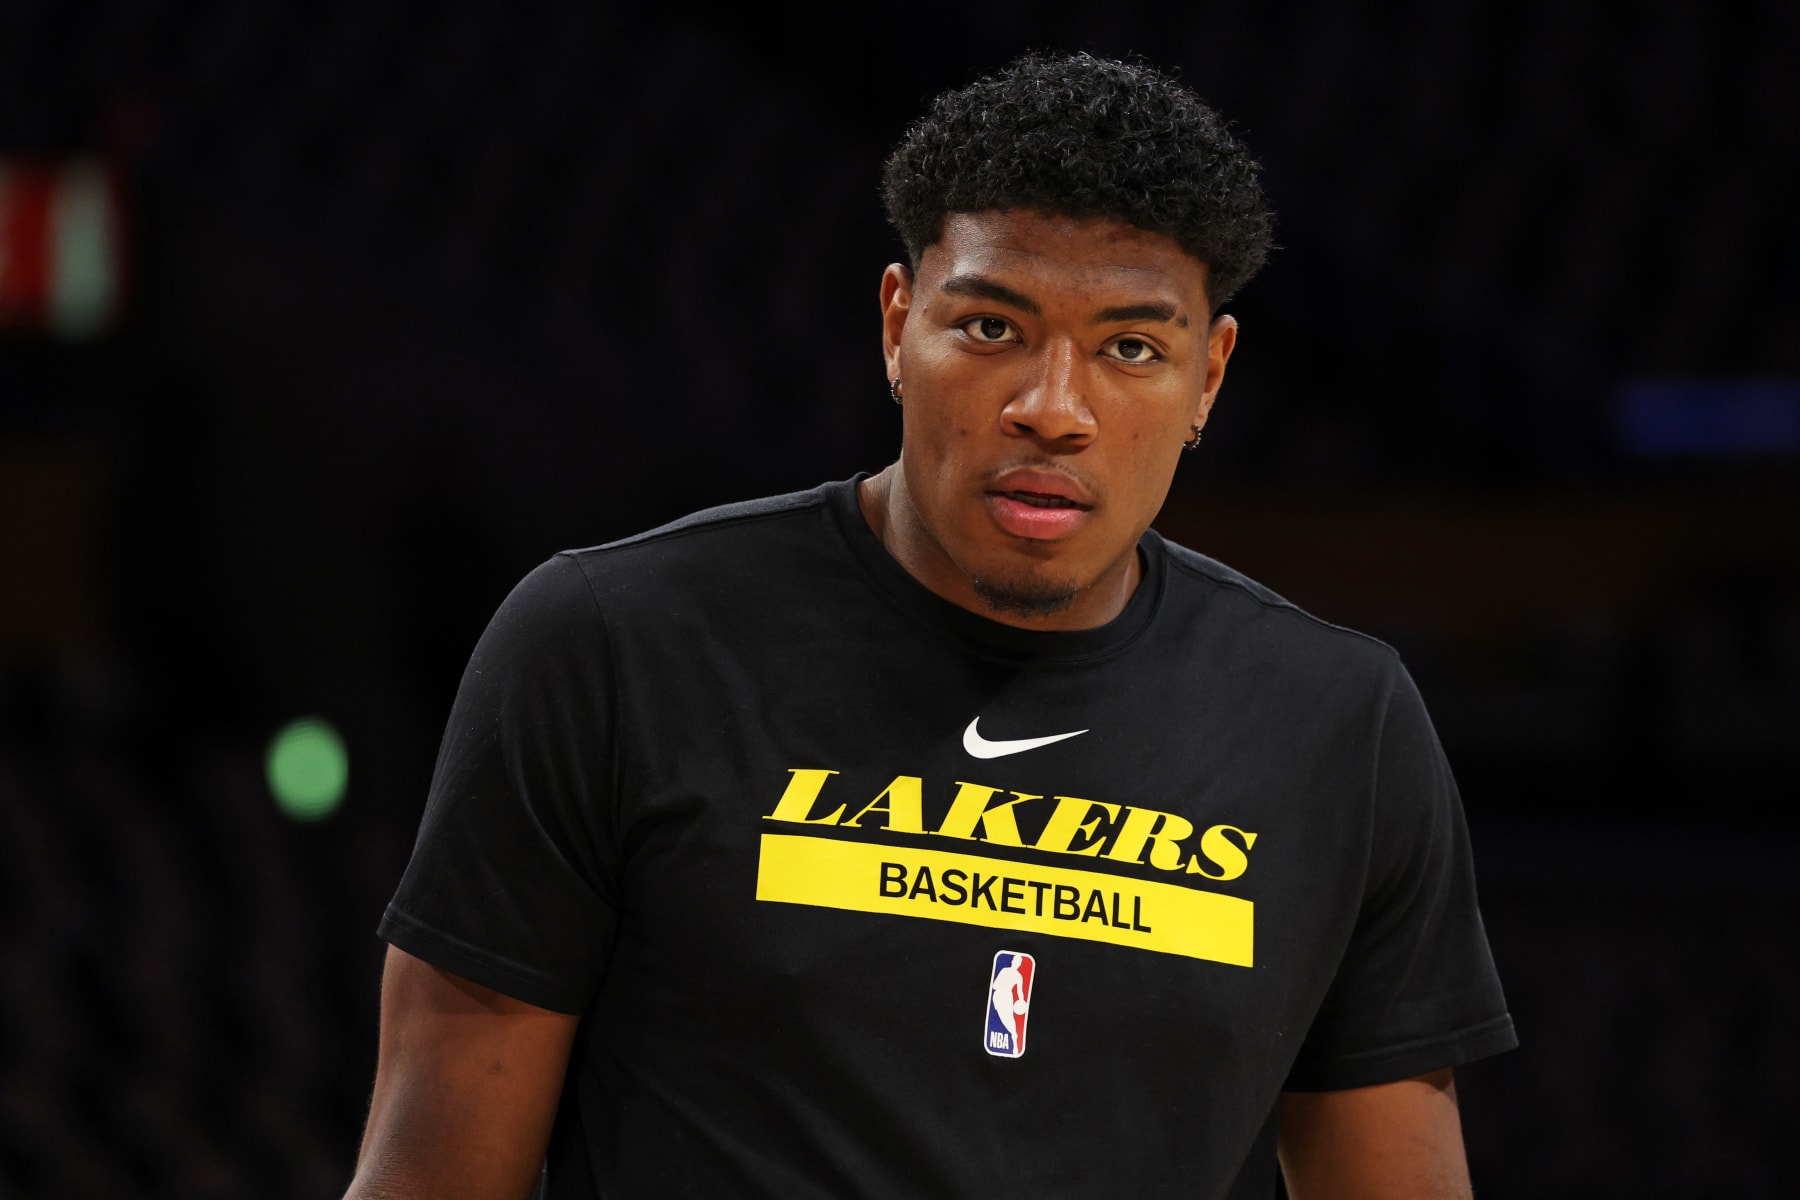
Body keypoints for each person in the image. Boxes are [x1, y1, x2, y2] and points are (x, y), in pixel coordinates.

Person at [346, 52, 1515, 1200]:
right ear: (899, 324)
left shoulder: (1338, 724)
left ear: (1208, 378)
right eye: (993, 329)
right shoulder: (610, 643)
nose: (1054, 409)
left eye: (1130, 350)